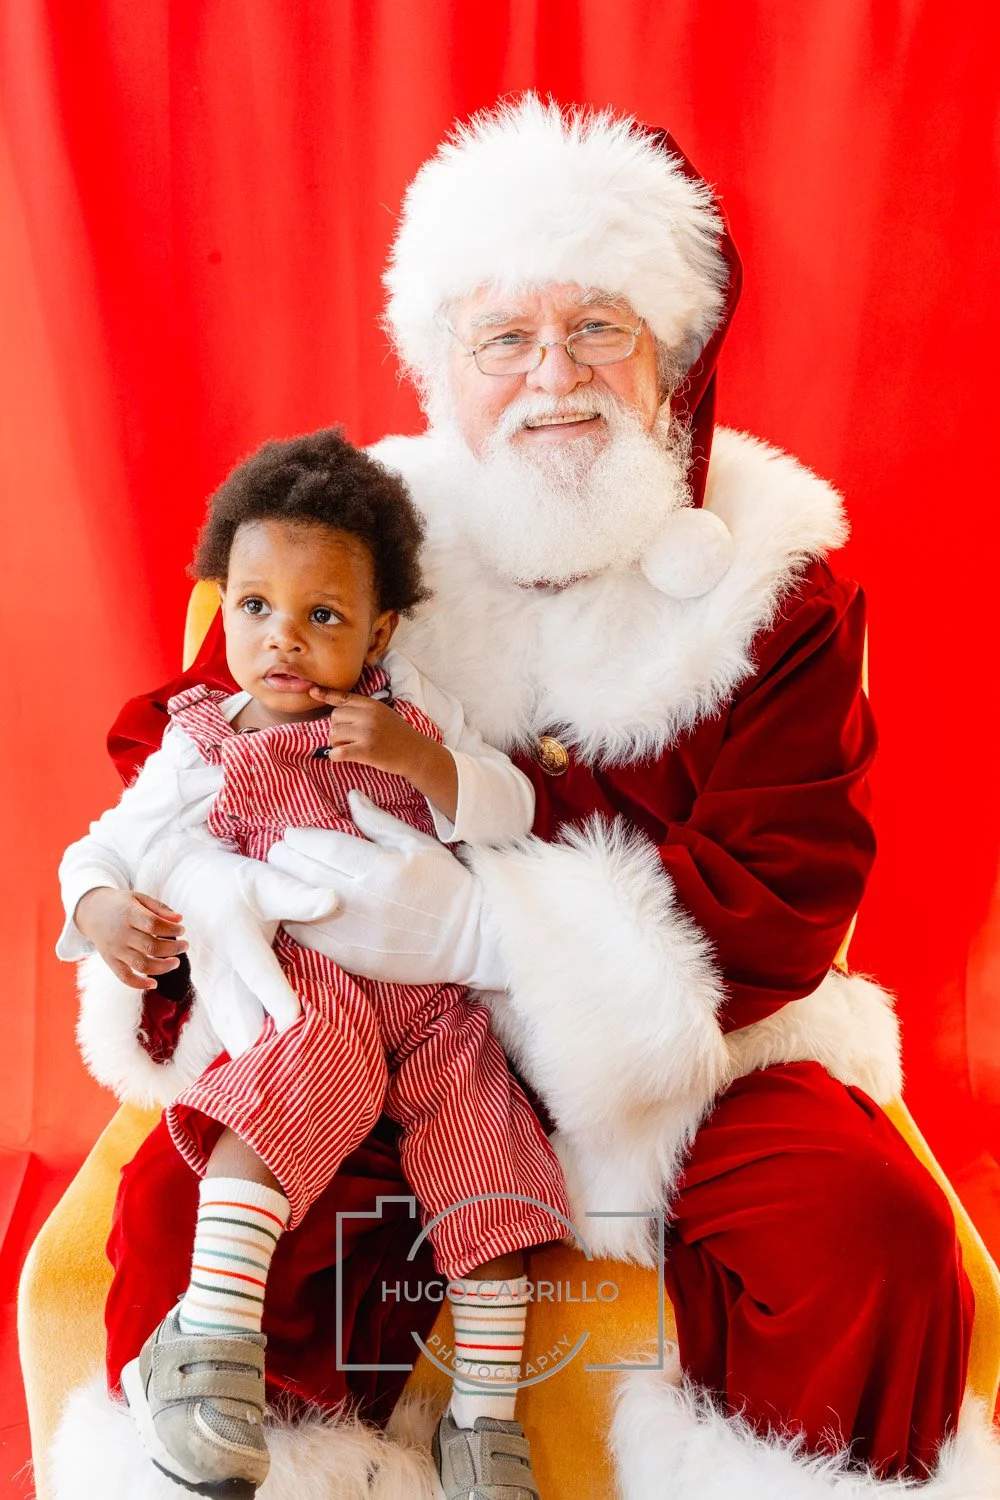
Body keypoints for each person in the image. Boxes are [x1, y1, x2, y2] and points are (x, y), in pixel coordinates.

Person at [56, 97, 999, 1498]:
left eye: (598, 327)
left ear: (671, 356)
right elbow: (186, 747)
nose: (551, 376)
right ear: (445, 364)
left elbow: (786, 884)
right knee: (192, 1193)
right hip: (367, 1038)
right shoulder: (353, 530)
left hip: (697, 1069)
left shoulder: (778, 587)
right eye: (506, 338)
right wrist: (205, 887)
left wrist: (494, 937)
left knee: (866, 1234)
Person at [57, 428, 569, 1498]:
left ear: (377, 630)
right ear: (222, 602)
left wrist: (423, 761)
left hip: (433, 1004)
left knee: (493, 1166)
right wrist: (105, 908)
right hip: (312, 991)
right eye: (254, 608)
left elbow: (518, 806)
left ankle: (483, 1431)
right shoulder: (203, 742)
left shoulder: (412, 710)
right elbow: (102, 845)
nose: (283, 641)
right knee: (288, 1091)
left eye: (322, 616)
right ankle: (212, 1360)